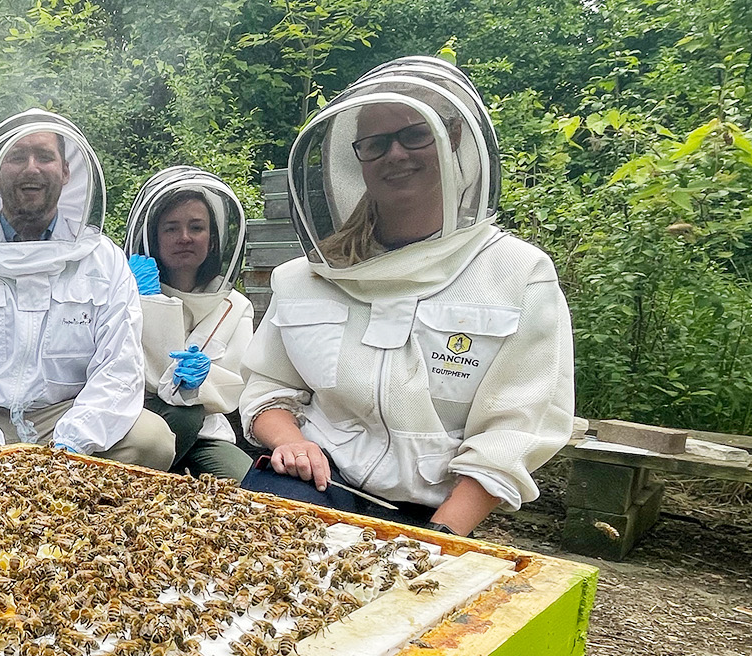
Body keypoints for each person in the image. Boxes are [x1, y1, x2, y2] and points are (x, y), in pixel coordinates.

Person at [238, 57, 574, 537]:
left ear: (453, 138)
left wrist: (438, 541)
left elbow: (515, 430)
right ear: (356, 159)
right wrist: (291, 442)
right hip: (306, 483)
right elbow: (269, 386)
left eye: (414, 135)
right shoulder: (305, 276)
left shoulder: (518, 274)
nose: (395, 154)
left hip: (433, 512)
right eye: (374, 144)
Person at [0, 109, 175, 470]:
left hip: (65, 416)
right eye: (17, 157)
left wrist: (72, 443)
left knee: (152, 441)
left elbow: (118, 369)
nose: (31, 168)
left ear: (66, 171)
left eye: (45, 156)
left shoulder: (104, 261)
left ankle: (95, 518)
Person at [123, 167, 255, 480]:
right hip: (132, 423)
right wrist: (145, 303)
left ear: (212, 240)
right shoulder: (126, 290)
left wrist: (201, 381)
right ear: (154, 238)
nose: (184, 238)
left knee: (244, 480)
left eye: (196, 227)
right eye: (171, 228)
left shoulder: (236, 307)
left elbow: (235, 382)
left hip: (203, 433)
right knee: (179, 419)